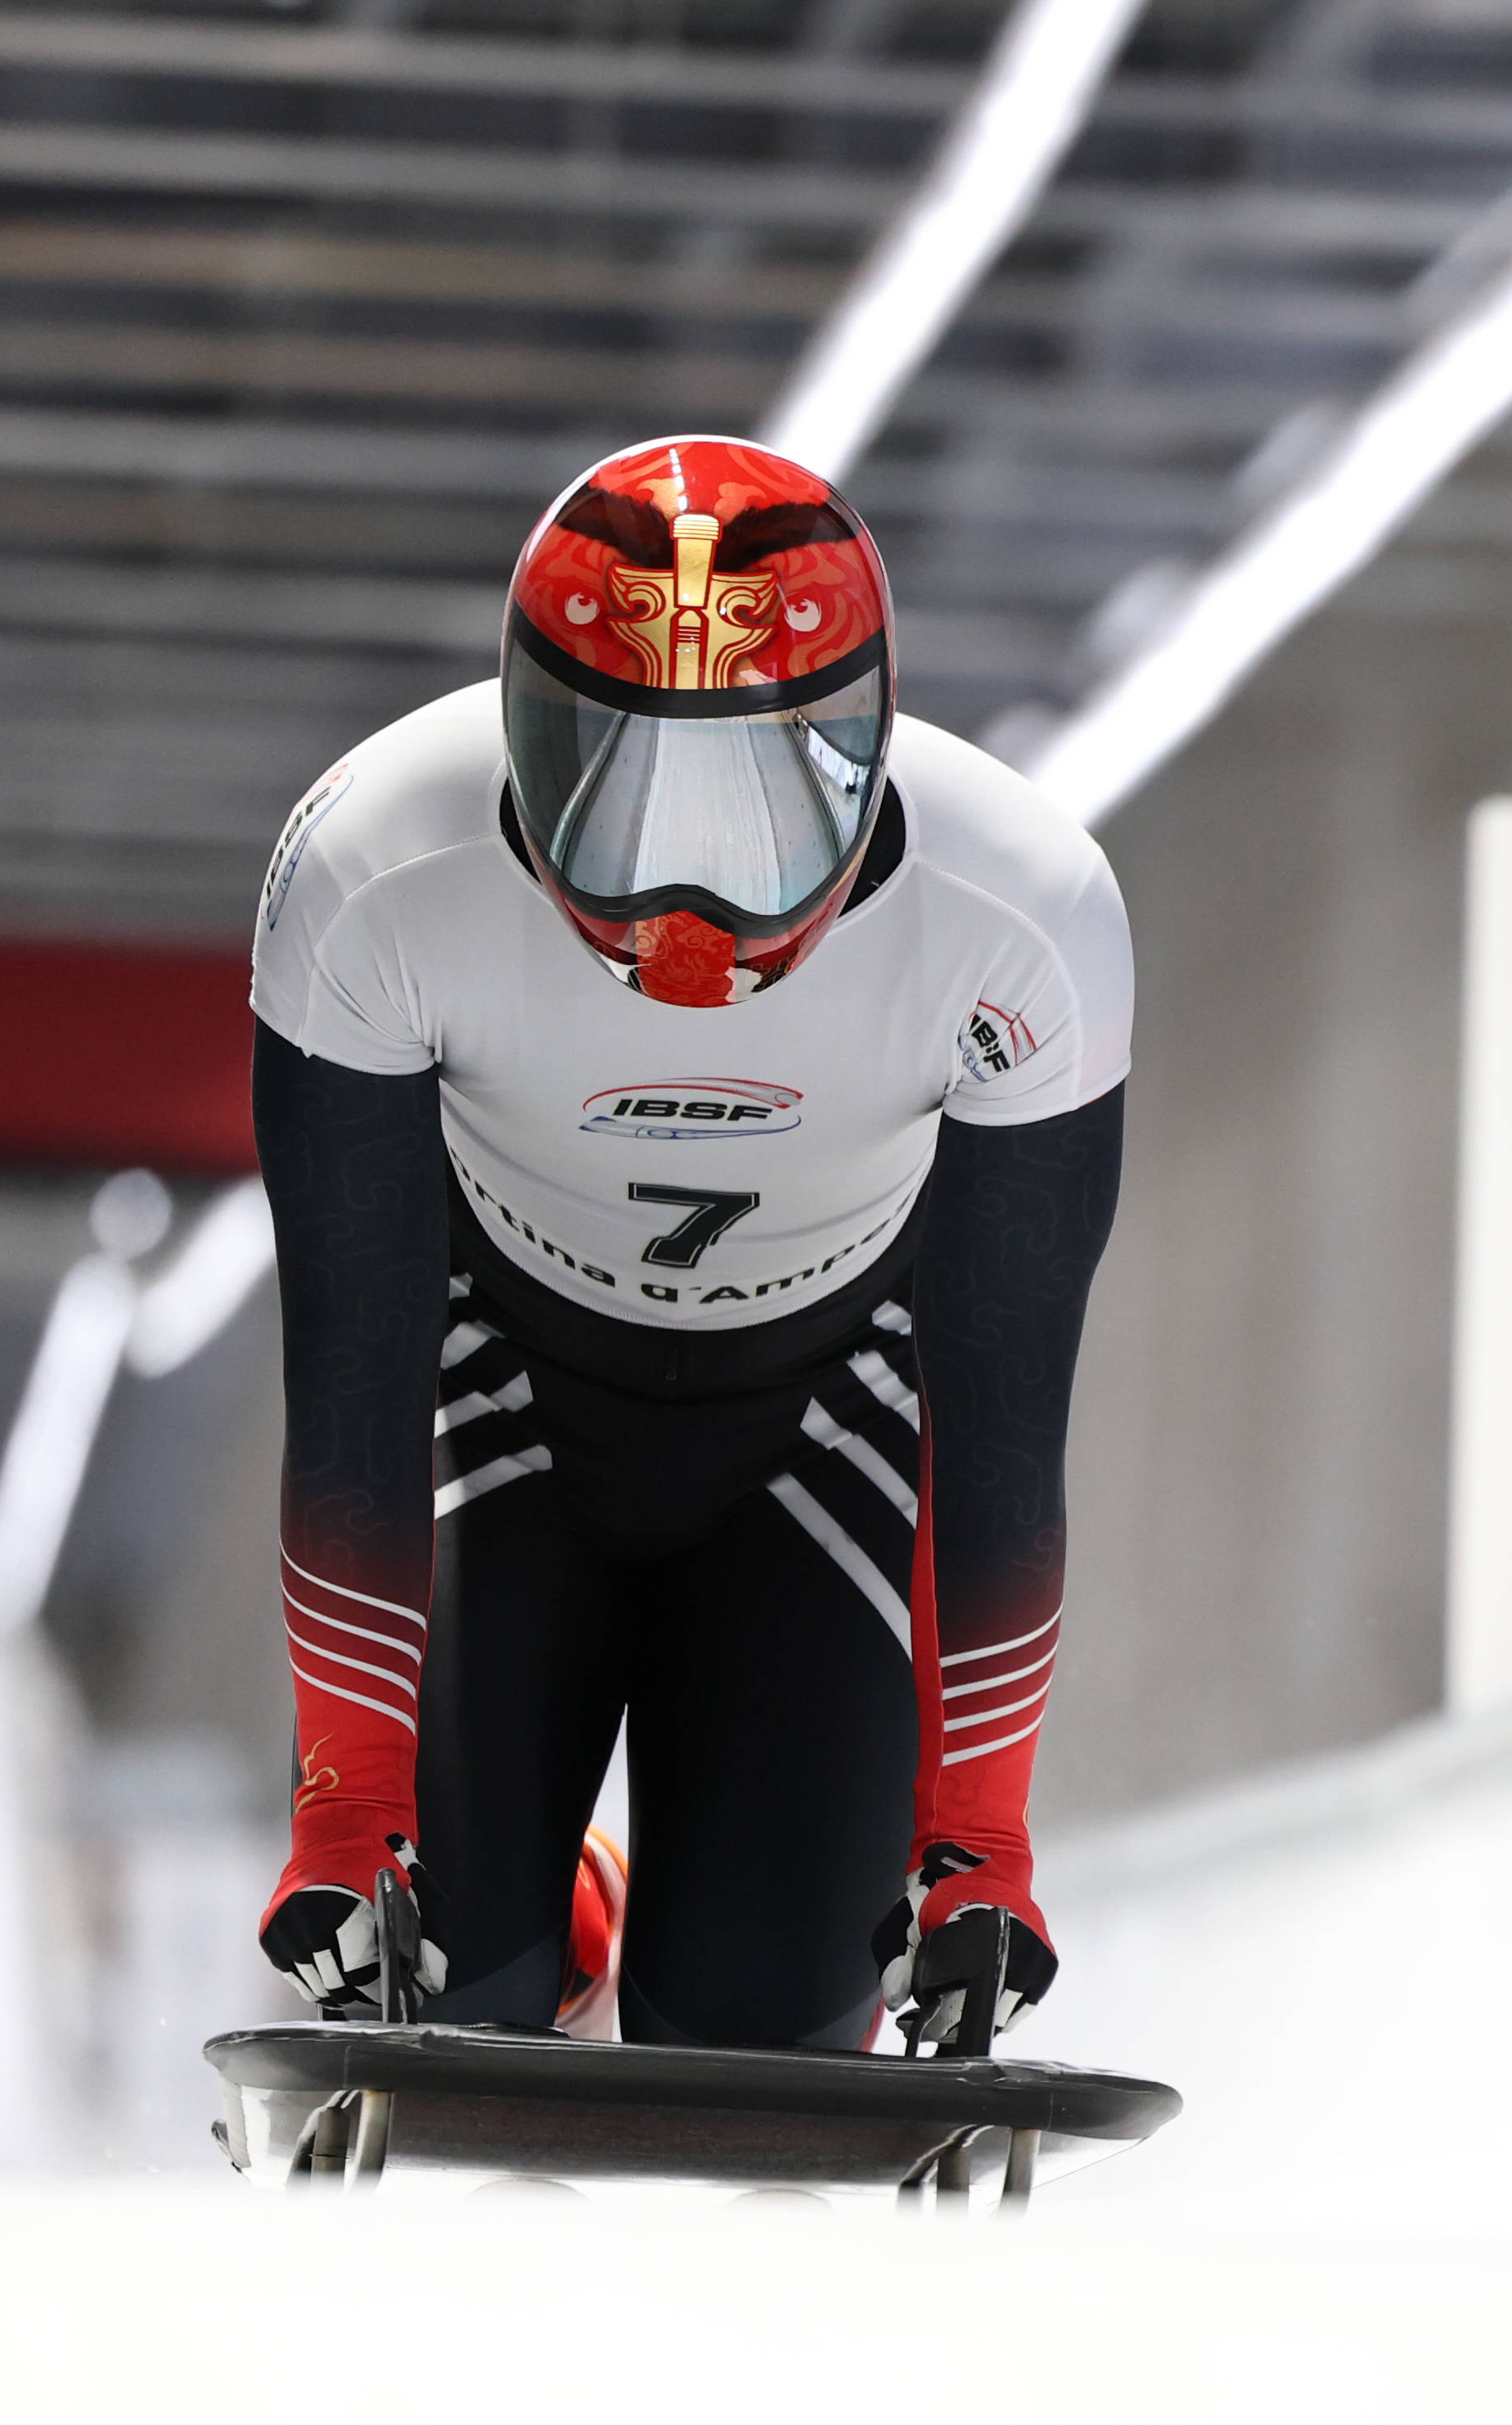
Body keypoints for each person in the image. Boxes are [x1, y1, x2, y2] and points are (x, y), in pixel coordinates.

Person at [250, 434, 1130, 2053]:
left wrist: (981, 1851)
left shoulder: (1026, 922)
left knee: (760, 2024)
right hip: (500, 1399)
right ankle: (554, 1904)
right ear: (521, 734)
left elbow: (997, 1422)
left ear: (866, 753)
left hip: (821, 1423)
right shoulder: (375, 868)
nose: (685, 905)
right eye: (614, 785)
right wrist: (347, 1804)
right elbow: (354, 1380)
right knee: (461, 1980)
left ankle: (620, 1899)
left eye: (757, 809)